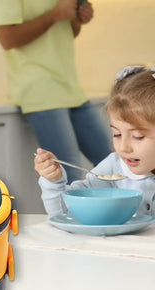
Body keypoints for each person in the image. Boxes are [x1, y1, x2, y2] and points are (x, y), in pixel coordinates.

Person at [0, 0, 111, 183]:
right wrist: (54, 14)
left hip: (71, 88)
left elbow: (67, 33)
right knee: (70, 174)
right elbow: (7, 39)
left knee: (112, 162)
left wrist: (77, 20)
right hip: (40, 92)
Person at [34, 65, 155, 217]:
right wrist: (54, 182)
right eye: (117, 134)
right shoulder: (113, 167)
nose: (124, 148)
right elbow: (66, 212)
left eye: (138, 136)